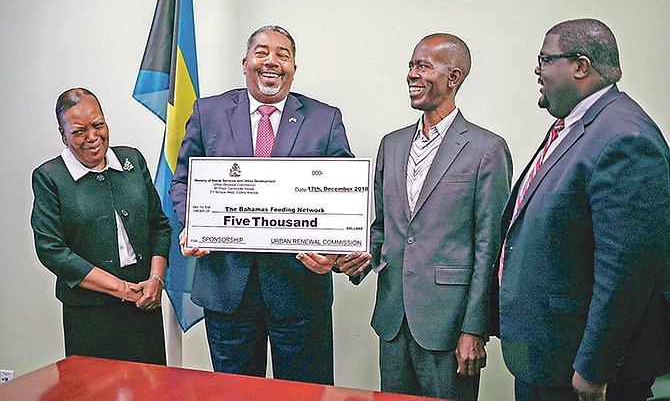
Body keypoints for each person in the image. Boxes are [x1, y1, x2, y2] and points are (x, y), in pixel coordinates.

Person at [494, 18, 670, 401]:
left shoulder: (625, 138)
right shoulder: (576, 125)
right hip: (548, 357)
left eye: (544, 59)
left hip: (581, 371)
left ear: (580, 66)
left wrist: (595, 366)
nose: (537, 71)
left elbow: (627, 271)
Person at [169, 25, 353, 384]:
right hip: (227, 289)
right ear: (245, 62)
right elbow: (183, 181)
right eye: (262, 52)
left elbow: (342, 195)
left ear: (294, 68)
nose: (272, 61)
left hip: (300, 291)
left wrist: (332, 249)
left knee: (306, 394)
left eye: (283, 54)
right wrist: (195, 222)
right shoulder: (209, 112)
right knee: (234, 394)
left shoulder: (325, 119)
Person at [339, 33, 512, 400]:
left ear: (453, 77)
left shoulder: (487, 148)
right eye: (410, 66)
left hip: (449, 327)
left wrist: (474, 329)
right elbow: (381, 229)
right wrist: (353, 261)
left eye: (423, 66)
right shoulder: (392, 143)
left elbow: (489, 247)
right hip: (393, 319)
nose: (411, 75)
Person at [31, 87, 170, 365]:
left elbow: (159, 225)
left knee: (152, 389)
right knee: (94, 390)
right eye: (79, 131)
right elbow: (52, 251)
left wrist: (155, 280)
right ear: (63, 135)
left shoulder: (132, 160)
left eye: (98, 125)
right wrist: (121, 289)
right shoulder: (50, 177)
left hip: (144, 304)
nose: (92, 137)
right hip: (89, 314)